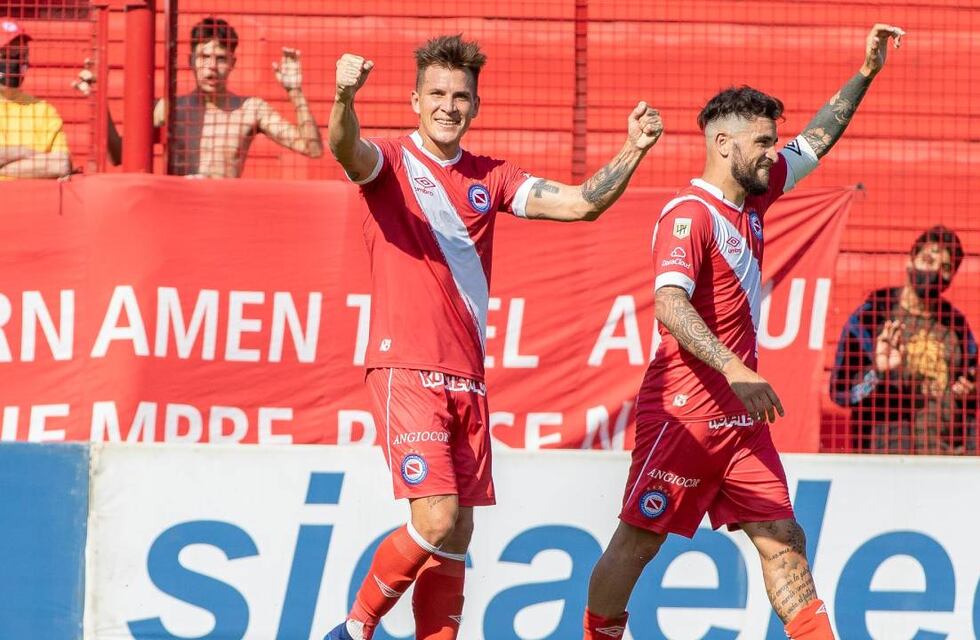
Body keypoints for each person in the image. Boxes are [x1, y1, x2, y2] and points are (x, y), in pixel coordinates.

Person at [325, 33, 662, 640]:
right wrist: (344, 97)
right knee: (435, 518)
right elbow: (345, 147)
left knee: (456, 535)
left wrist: (633, 149)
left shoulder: (492, 177)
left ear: (476, 106)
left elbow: (583, 204)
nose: (448, 106)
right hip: (407, 366)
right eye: (436, 94)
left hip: (468, 379)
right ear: (414, 101)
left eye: (460, 96)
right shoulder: (392, 163)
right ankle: (351, 630)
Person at [583, 24, 905, 640]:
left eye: (772, 141)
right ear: (722, 143)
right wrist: (733, 367)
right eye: (761, 142)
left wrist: (866, 72)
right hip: (685, 413)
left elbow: (816, 142)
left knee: (784, 538)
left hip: (740, 424)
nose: (772, 152)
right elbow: (669, 305)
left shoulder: (753, 200)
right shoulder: (689, 215)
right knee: (637, 543)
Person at [74, 16, 322, 177]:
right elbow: (118, 155)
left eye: (221, 59)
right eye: (204, 57)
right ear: (190, 61)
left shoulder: (250, 109)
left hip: (226, 213)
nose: (212, 67)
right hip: (177, 212)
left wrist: (295, 91)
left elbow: (312, 148)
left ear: (233, 63)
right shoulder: (171, 108)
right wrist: (99, 97)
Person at [830, 225, 976, 454]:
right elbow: (840, 392)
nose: (935, 270)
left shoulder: (956, 326)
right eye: (928, 260)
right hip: (886, 457)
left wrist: (969, 390)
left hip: (946, 458)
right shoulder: (873, 315)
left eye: (945, 267)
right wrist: (876, 372)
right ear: (910, 260)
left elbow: (971, 387)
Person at [0, 19, 71, 180]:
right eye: (4, 55)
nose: (14, 62)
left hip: (31, 203)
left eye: (20, 55)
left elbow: (60, 164)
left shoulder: (43, 111)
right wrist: (22, 152)